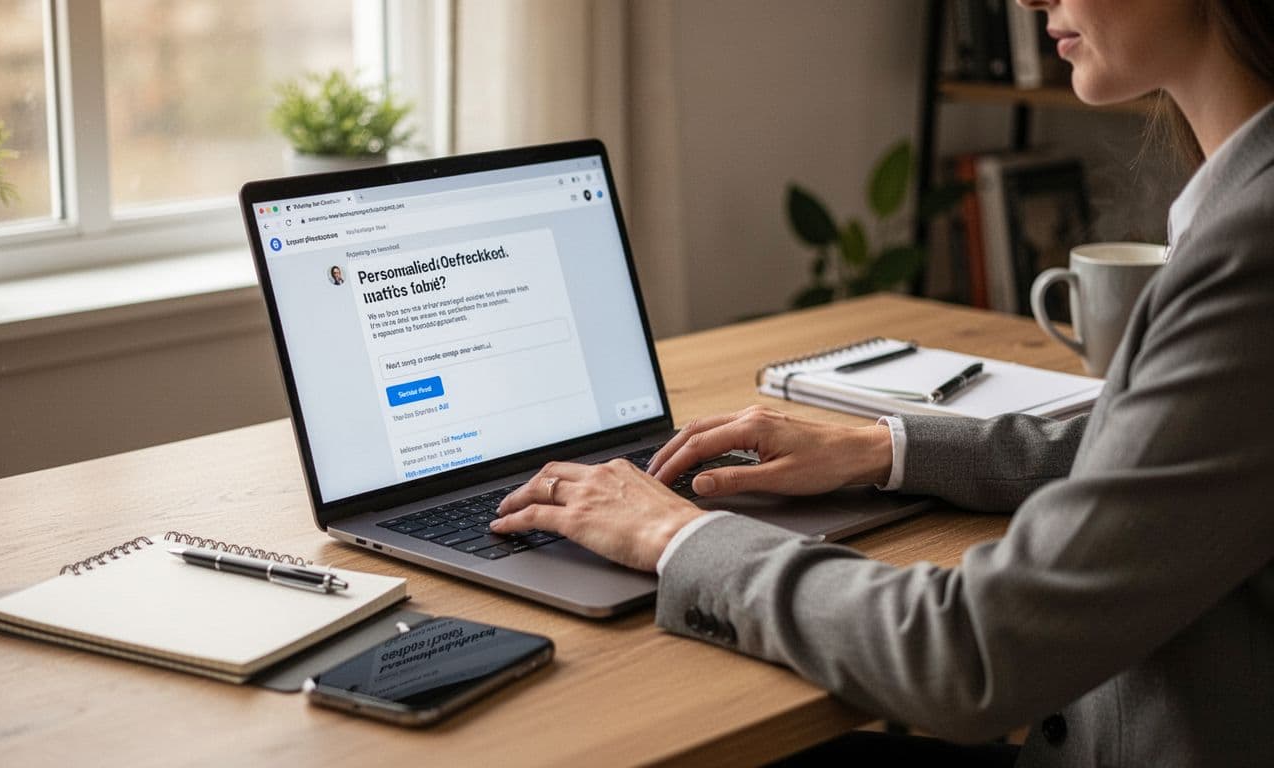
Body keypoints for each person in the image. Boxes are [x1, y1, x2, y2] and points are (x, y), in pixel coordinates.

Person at [492, 1, 1274, 764]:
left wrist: (675, 536)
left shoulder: (1251, 254)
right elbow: (1158, 452)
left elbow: (973, 651)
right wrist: (880, 450)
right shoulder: (1241, 206)